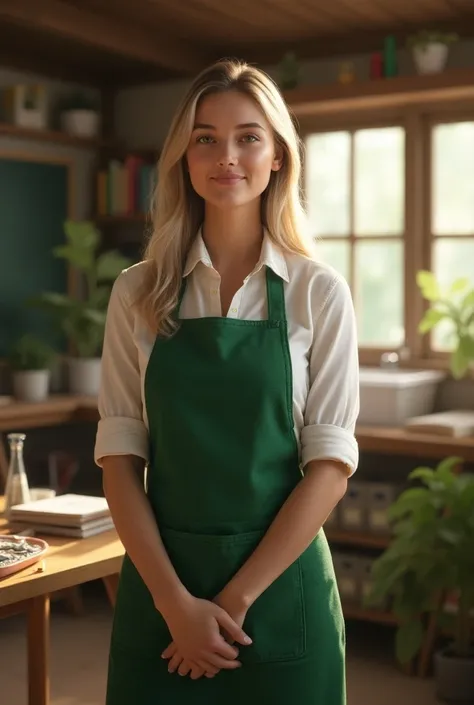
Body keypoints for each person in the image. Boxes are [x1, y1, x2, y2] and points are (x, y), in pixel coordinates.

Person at [94, 58, 360, 705]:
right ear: (185, 157)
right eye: (205, 137)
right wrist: (174, 603)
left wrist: (230, 602)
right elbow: (120, 458)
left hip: (279, 592)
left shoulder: (316, 291)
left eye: (248, 136)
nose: (226, 155)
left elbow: (329, 465)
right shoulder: (138, 292)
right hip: (163, 590)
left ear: (277, 157)